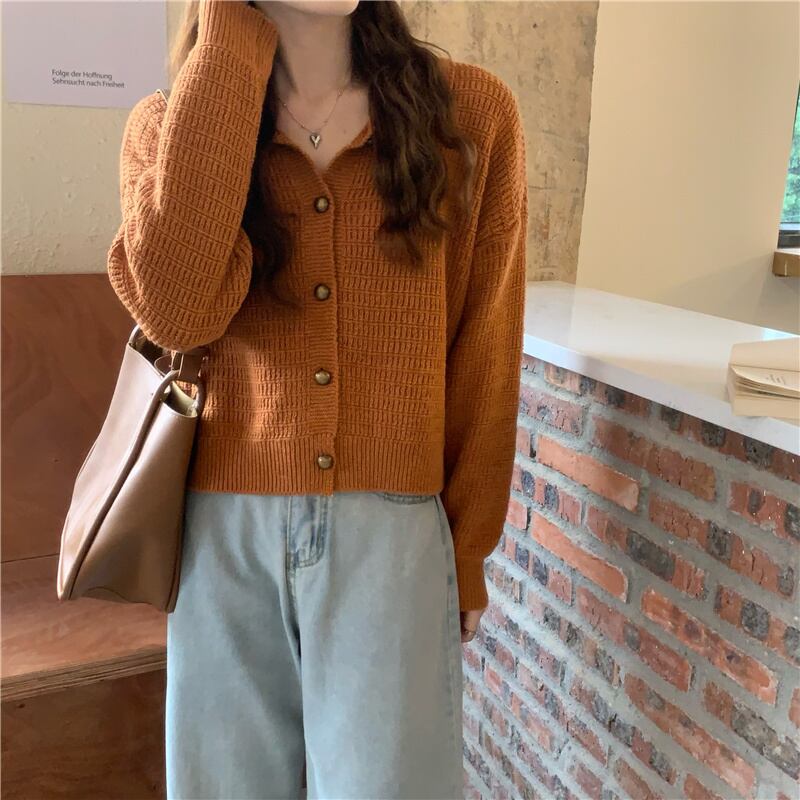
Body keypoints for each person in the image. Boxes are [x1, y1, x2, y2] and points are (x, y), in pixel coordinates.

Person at [107, 0, 527, 797]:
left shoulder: (470, 117)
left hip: (393, 542)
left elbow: (486, 351)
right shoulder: (168, 127)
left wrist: (467, 550)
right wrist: (229, 46)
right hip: (222, 540)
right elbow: (175, 313)